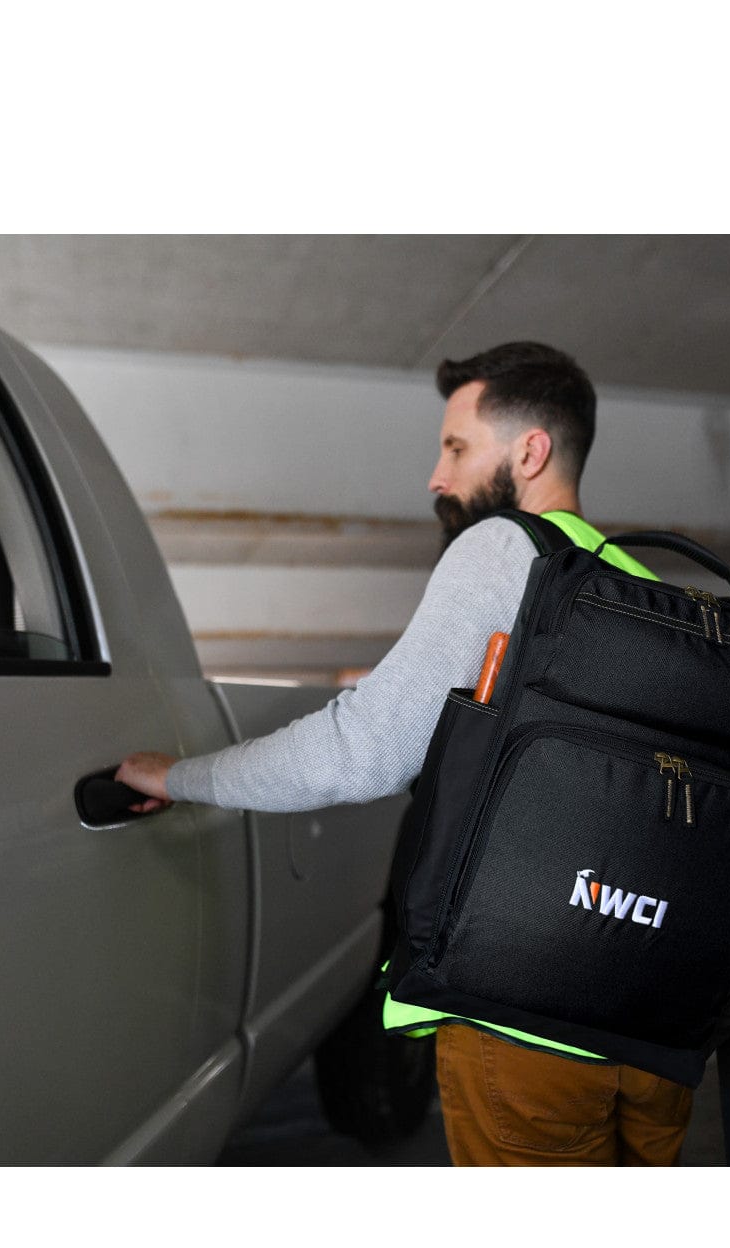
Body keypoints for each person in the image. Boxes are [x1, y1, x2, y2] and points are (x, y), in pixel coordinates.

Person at [117, 341, 694, 1166]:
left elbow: (360, 752)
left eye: (456, 447)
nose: (436, 475)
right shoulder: (645, 589)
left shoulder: (503, 548)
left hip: (529, 1023)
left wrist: (180, 776)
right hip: (658, 1023)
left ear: (529, 452)